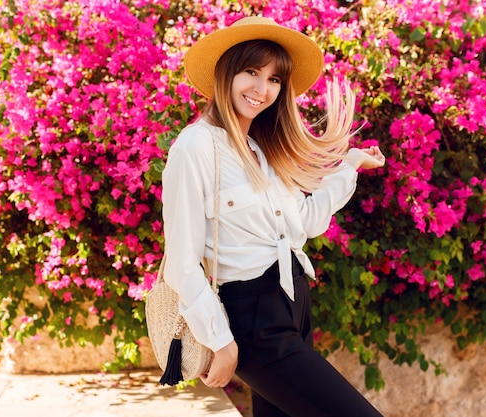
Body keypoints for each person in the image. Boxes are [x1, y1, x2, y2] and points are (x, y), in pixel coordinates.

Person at [161, 16, 386, 417]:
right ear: (226, 72)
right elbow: (182, 262)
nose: (262, 89)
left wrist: (350, 166)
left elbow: (307, 222)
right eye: (251, 72)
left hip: (294, 300)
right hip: (252, 319)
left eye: (275, 79)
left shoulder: (261, 150)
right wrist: (221, 340)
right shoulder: (194, 148)